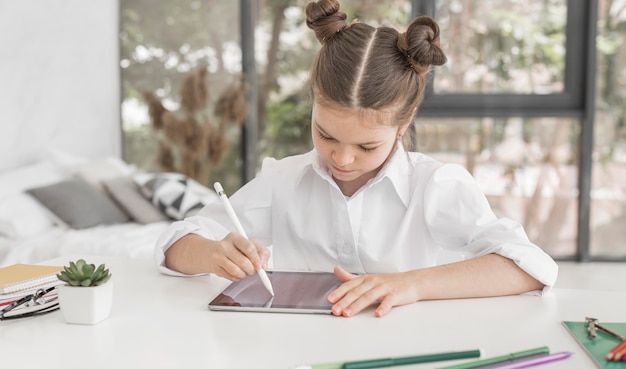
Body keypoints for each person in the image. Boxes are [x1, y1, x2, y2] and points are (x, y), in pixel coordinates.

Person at [155, 0, 558, 318]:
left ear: (404, 124)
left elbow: (530, 266)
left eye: (367, 146)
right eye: (326, 134)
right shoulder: (282, 180)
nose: (342, 158)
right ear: (313, 104)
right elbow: (173, 244)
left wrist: (408, 285)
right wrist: (211, 254)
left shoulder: (434, 185)